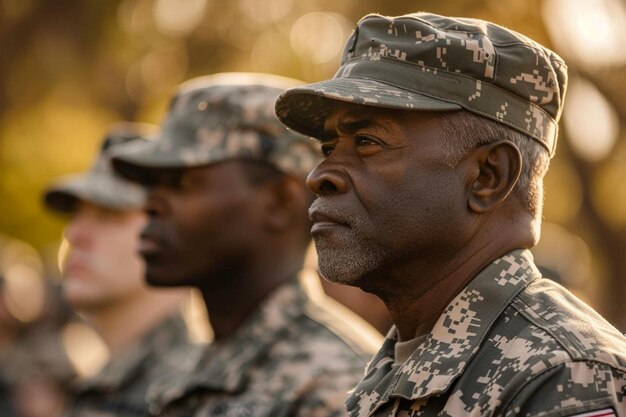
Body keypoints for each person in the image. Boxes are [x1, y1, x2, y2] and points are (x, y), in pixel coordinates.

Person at [275, 12, 626, 417]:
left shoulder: (567, 377)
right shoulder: (392, 369)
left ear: (487, 176)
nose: (320, 176)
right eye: (329, 148)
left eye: (368, 142)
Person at [111, 72, 381, 417]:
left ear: (281, 202)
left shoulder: (336, 386)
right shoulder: (187, 368)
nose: (151, 204)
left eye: (183, 182)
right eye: (153, 183)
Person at [44, 123, 193, 417]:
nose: (74, 234)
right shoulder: (100, 381)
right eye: (77, 214)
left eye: (108, 214)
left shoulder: (190, 391)